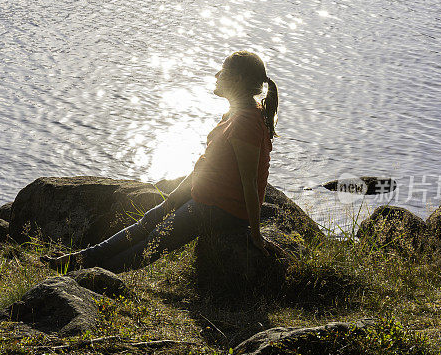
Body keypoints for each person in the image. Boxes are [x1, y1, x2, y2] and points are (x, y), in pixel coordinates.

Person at [42, 50, 279, 273]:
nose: (217, 76)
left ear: (237, 79)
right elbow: (208, 164)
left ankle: (92, 276)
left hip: (221, 207)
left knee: (153, 241)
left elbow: (249, 182)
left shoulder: (246, 121)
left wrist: (255, 235)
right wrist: (174, 197)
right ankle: (74, 261)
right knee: (148, 221)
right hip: (207, 193)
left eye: (223, 71)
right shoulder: (235, 112)